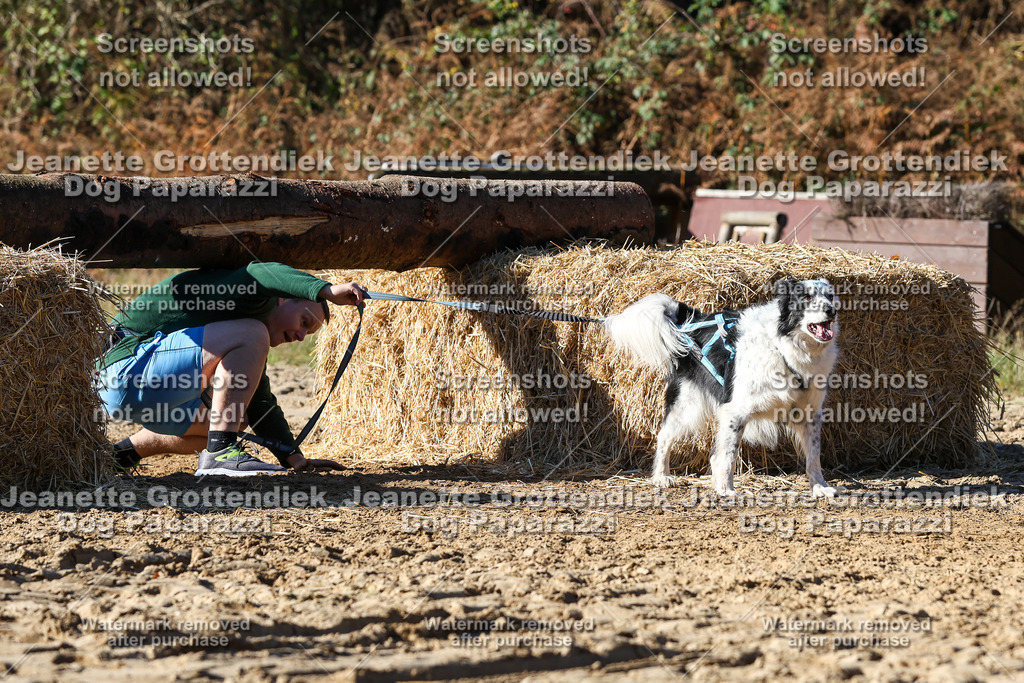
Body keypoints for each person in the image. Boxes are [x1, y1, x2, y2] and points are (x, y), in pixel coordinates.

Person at [96, 262, 367, 476]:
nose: (300, 335)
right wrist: (327, 290)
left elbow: (260, 401)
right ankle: (221, 454)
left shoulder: (244, 335)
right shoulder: (244, 296)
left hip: (129, 388)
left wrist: (294, 457)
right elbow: (260, 272)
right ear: (284, 298)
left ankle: (120, 455)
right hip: (120, 367)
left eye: (307, 333)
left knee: (236, 414)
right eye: (304, 321)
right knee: (252, 335)